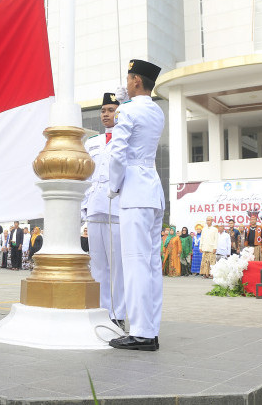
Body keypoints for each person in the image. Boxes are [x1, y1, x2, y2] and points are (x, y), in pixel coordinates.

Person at [107, 59, 164, 351]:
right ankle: (150, 330)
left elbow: (117, 155)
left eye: (128, 79)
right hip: (153, 188)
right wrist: (125, 99)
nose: (126, 83)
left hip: (134, 191)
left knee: (135, 262)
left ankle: (140, 332)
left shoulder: (128, 111)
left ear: (136, 81)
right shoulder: (156, 111)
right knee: (152, 264)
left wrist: (113, 185)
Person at [81, 91, 125, 324]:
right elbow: (87, 177)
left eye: (111, 110)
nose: (106, 114)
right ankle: (102, 311)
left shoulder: (126, 138)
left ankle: (118, 314)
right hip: (95, 207)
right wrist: (84, 211)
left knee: (117, 265)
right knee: (98, 265)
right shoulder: (93, 142)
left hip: (117, 208)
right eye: (104, 110)